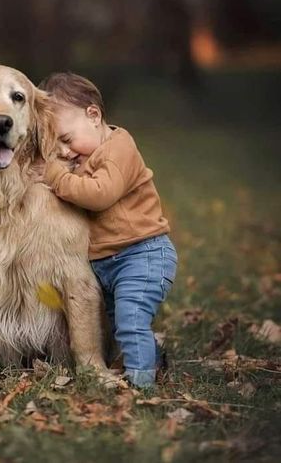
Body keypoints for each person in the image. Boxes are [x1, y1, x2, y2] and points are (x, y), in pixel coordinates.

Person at [38, 72, 178, 388]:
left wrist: (56, 178)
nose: (63, 151)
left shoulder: (119, 147)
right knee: (120, 326)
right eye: (55, 144)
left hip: (141, 254)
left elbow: (101, 194)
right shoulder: (82, 158)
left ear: (94, 115)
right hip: (108, 264)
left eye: (65, 138)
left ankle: (142, 385)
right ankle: (154, 359)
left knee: (130, 320)